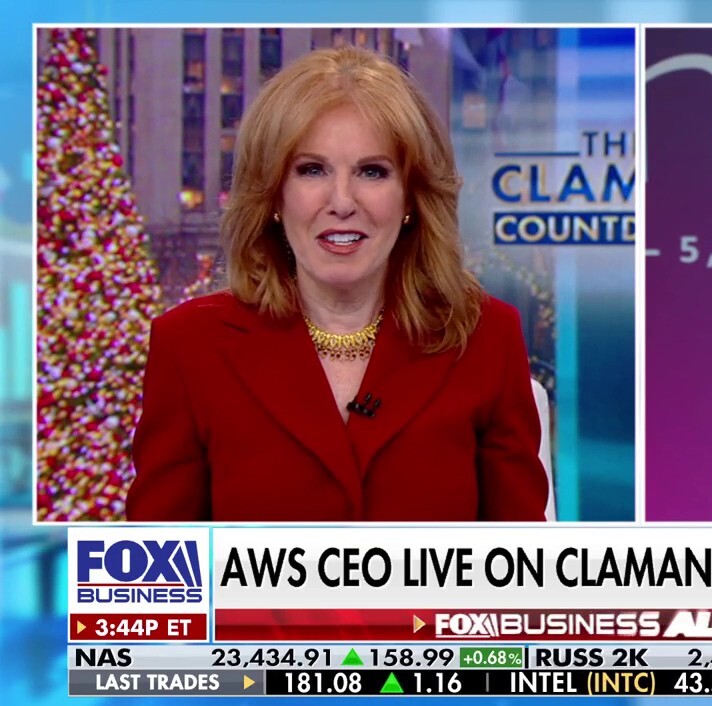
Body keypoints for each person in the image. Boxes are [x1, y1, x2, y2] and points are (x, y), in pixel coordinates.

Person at [127, 46, 549, 521]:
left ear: (410, 197)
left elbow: (523, 563)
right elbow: (155, 564)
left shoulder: (485, 337)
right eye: (312, 170)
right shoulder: (190, 347)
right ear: (273, 196)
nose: (342, 202)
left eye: (372, 171)